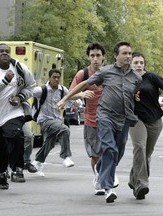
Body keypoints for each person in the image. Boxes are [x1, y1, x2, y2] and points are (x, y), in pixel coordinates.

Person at [57, 41, 142, 203]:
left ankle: (100, 168)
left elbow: (135, 90)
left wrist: (135, 96)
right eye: (125, 53)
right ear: (116, 56)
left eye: (130, 53)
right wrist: (65, 98)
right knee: (110, 148)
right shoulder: (106, 72)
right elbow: (84, 84)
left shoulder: (136, 77)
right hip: (105, 116)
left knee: (119, 151)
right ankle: (108, 187)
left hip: (124, 118)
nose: (128, 56)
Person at [0, 43, 36, 189]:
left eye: (7, 51)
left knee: (16, 135)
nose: (4, 53)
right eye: (1, 51)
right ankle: (2, 174)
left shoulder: (19, 68)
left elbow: (31, 85)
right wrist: (5, 81)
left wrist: (20, 97)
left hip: (13, 111)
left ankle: (17, 169)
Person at [69, 42, 108, 195]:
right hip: (91, 120)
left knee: (109, 151)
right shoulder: (83, 74)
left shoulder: (110, 72)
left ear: (103, 57)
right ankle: (98, 176)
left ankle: (107, 179)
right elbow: (71, 93)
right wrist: (82, 94)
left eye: (98, 55)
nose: (95, 59)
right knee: (96, 154)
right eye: (92, 56)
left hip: (109, 120)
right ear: (88, 57)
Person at [31, 68, 83, 177]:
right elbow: (29, 91)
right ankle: (65, 156)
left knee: (49, 143)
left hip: (56, 121)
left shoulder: (62, 90)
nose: (56, 79)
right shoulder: (42, 90)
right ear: (49, 78)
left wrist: (76, 102)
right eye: (54, 77)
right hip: (44, 120)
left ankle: (37, 162)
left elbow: (71, 96)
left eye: (58, 77)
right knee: (64, 129)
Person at [128, 52, 163, 200]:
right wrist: (132, 94)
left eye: (141, 63)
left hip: (154, 120)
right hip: (136, 119)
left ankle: (133, 179)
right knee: (140, 148)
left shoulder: (151, 77)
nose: (139, 65)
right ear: (130, 64)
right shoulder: (127, 79)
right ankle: (141, 184)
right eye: (136, 62)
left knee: (146, 154)